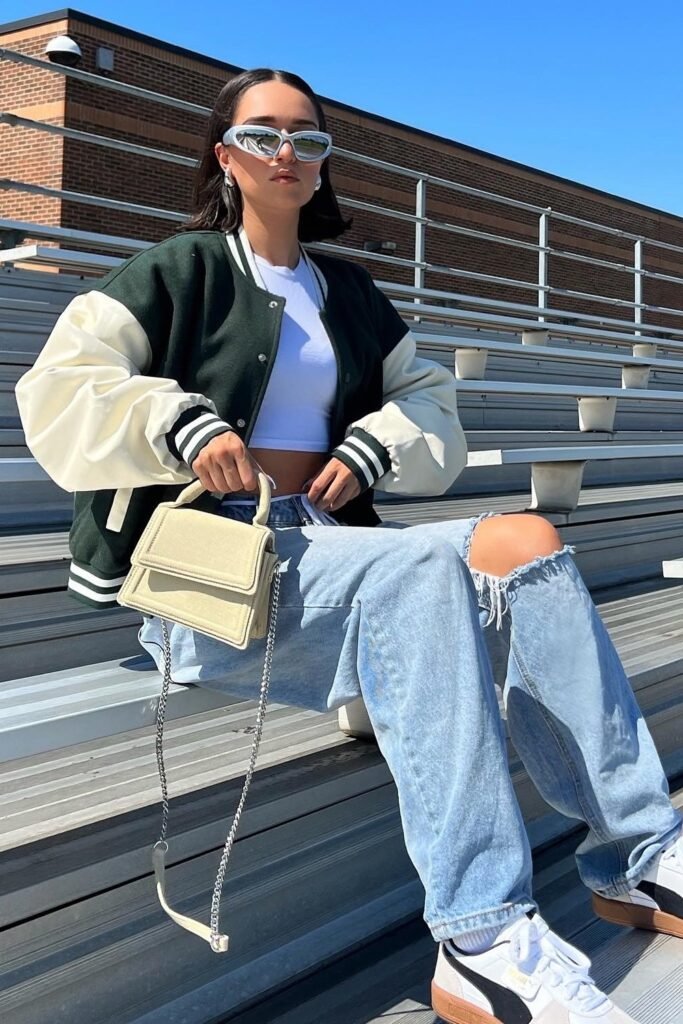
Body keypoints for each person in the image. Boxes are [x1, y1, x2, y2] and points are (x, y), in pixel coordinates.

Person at [15, 68, 682, 1024]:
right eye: (262, 136)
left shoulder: (349, 291)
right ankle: (485, 936)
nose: (287, 153)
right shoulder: (176, 270)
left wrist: (376, 447)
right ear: (225, 156)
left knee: (526, 539)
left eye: (307, 138)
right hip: (212, 582)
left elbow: (428, 401)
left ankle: (640, 852)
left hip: (336, 554)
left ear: (325, 161)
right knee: (417, 568)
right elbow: (61, 383)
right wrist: (181, 425)